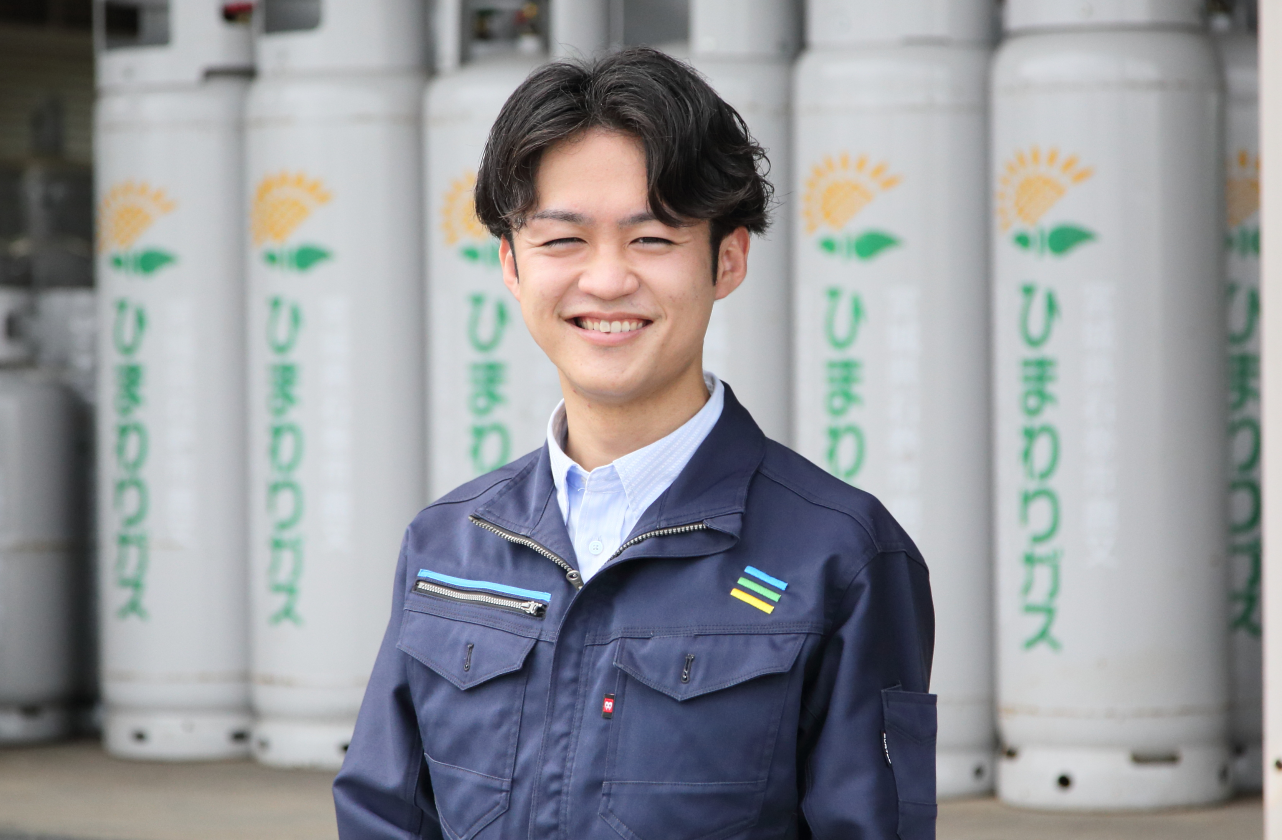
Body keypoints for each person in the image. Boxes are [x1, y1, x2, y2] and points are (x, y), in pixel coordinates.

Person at [333, 47, 936, 840]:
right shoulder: (446, 546)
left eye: (651, 239)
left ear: (727, 259)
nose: (608, 280)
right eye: (563, 241)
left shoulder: (842, 557)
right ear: (511, 264)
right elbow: (384, 817)